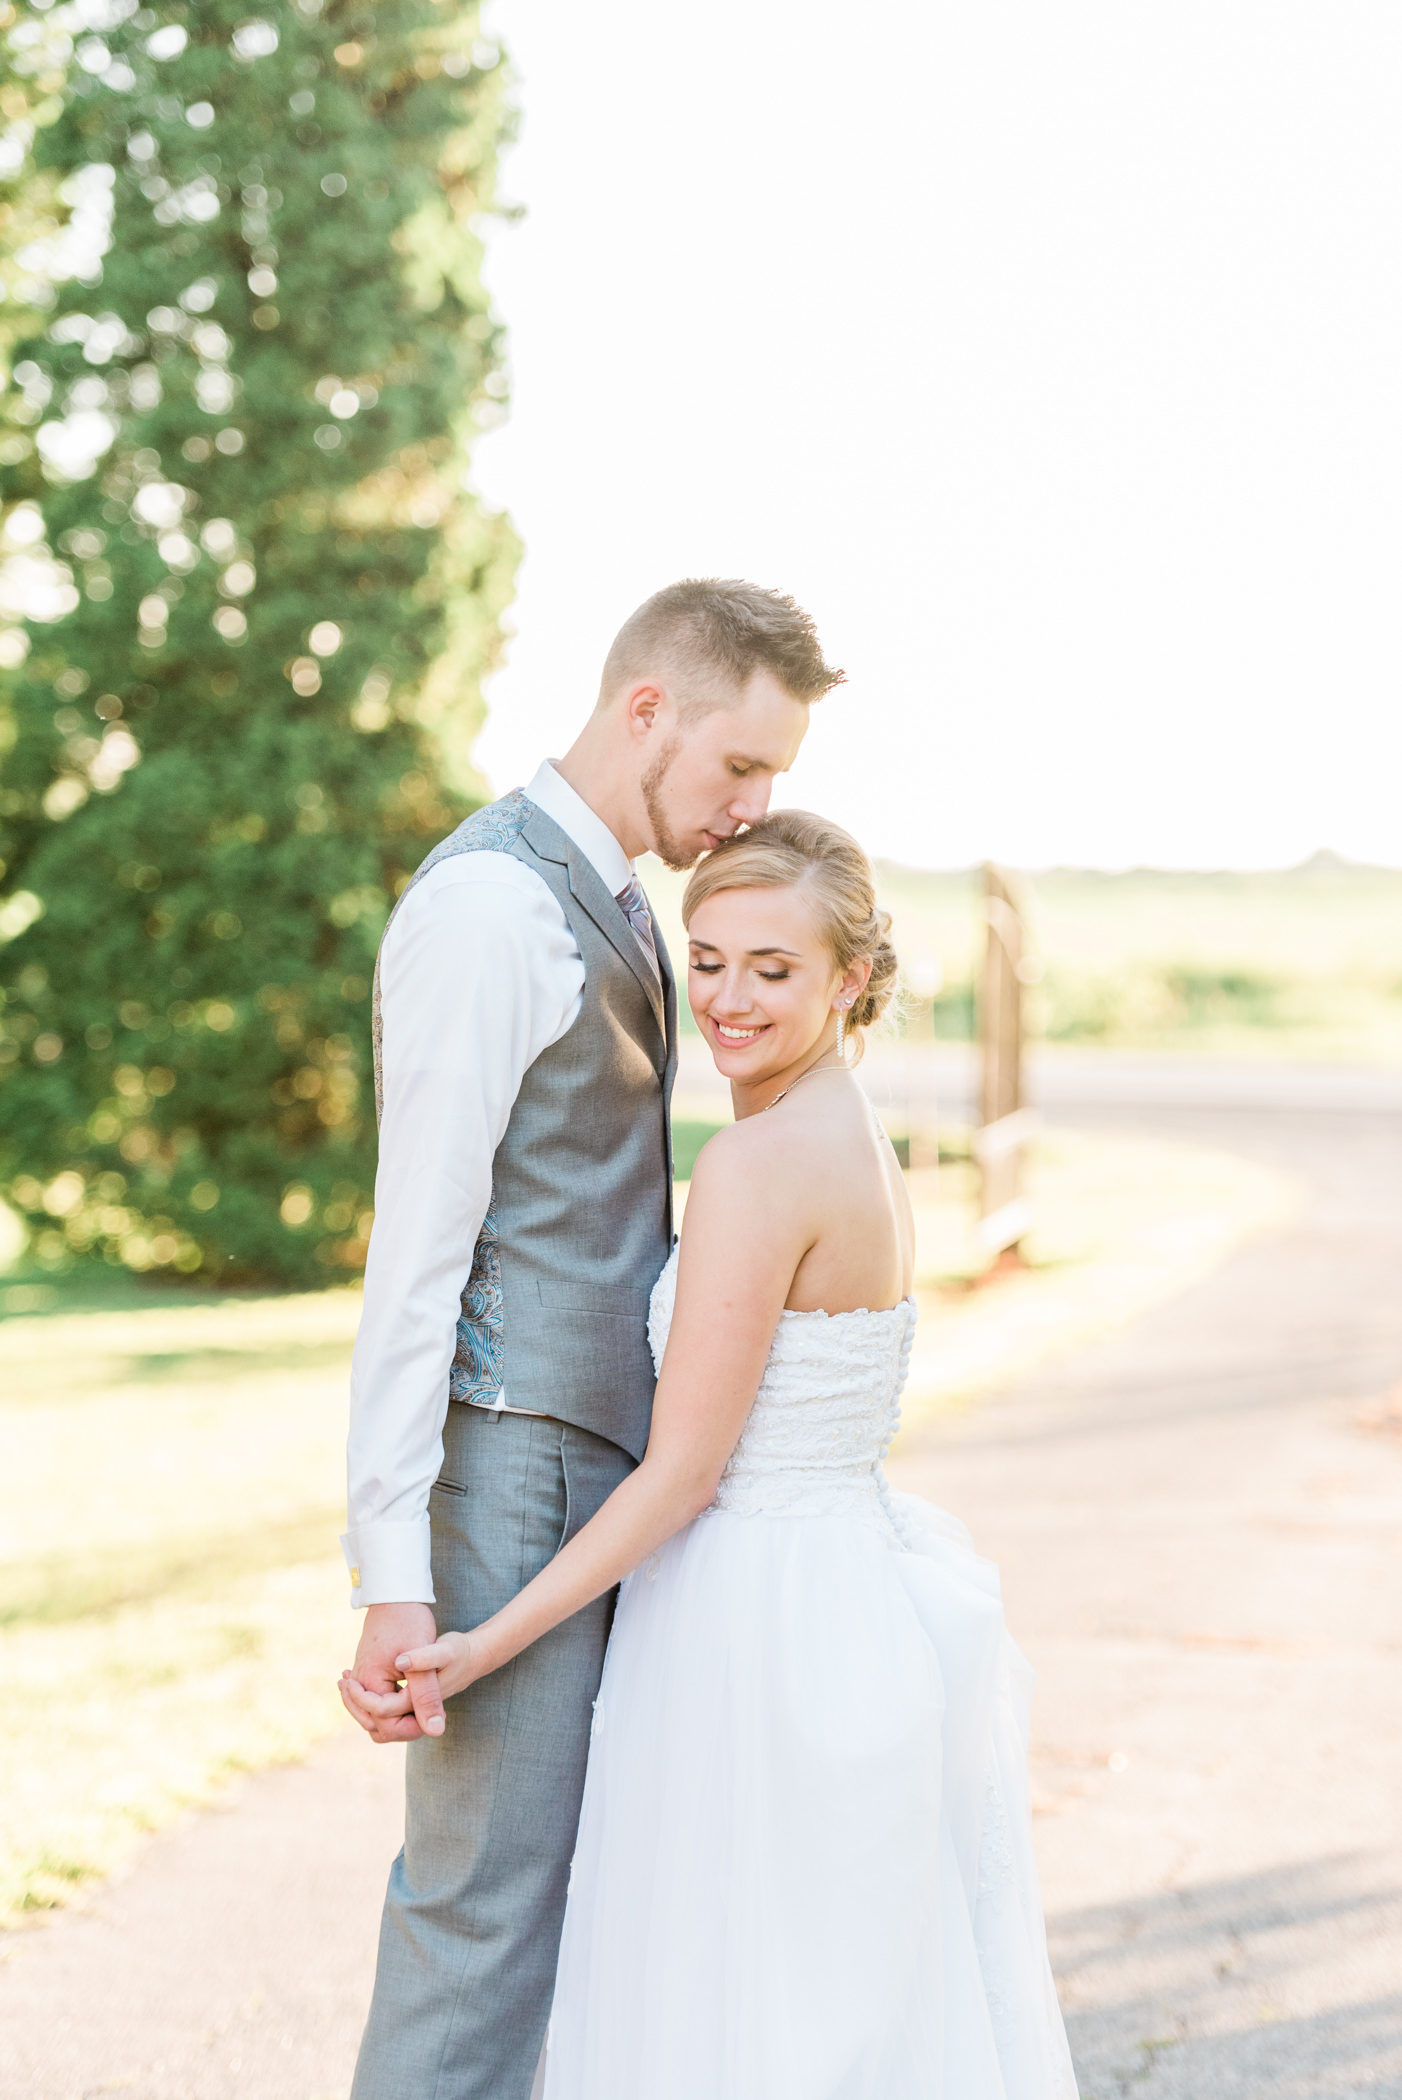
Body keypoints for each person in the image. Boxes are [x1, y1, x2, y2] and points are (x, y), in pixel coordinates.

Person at [361, 811, 1080, 2098]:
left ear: (849, 980)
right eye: (706, 959)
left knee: (725, 2019)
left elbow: (683, 1473)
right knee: (816, 2011)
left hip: (753, 1632)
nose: (727, 1000)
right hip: (849, 1591)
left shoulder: (758, 1164)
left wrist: (485, 1639)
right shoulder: (855, 1133)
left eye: (773, 968)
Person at [337, 581, 842, 2100]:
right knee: (480, 1921)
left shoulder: (613, 896)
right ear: (646, 712)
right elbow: (412, 1262)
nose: (751, 807)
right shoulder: (491, 907)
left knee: (561, 1915)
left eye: (774, 783)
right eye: (738, 768)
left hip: (588, 1474)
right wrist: (392, 1577)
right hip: (512, 1478)